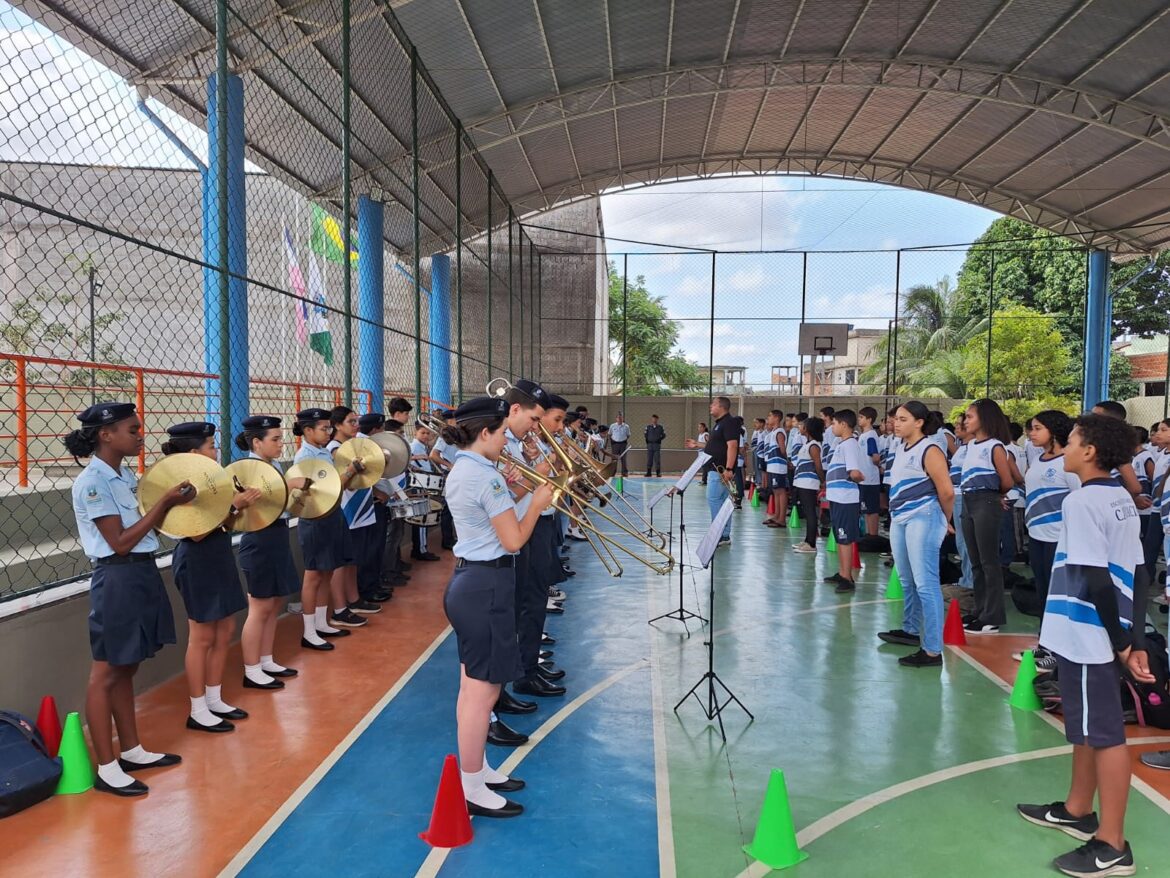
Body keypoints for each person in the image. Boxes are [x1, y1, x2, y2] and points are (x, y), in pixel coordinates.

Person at [1017, 413, 1151, 878]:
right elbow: (1139, 572)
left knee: (1107, 735)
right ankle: (1077, 809)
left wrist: (1118, 643)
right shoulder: (1120, 498)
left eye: (1072, 441)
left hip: (1091, 634)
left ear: (1089, 451)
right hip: (1084, 634)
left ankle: (1112, 844)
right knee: (1083, 723)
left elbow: (1096, 577)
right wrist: (1135, 639)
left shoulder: (1081, 502)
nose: (1065, 448)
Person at [64, 402, 189, 796]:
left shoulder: (120, 476)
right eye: (132, 429)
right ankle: (107, 766)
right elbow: (117, 542)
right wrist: (164, 503)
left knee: (126, 666)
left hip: (139, 572)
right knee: (105, 674)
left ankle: (131, 749)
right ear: (106, 434)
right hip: (117, 577)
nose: (140, 435)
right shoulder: (94, 482)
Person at [440, 395, 555, 818]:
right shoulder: (483, 477)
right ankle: (470, 784)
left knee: (474, 687)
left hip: (476, 581)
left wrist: (522, 489)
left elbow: (498, 516)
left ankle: (478, 770)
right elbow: (513, 539)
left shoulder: (473, 468)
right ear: (485, 432)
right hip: (486, 582)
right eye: (503, 432)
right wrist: (538, 504)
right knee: (481, 693)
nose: (508, 438)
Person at [161, 422, 260, 733]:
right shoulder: (181, 488)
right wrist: (233, 505)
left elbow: (221, 525)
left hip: (218, 555)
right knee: (202, 636)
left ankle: (215, 698)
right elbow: (198, 532)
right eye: (210, 446)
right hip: (197, 560)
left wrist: (236, 507)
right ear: (194, 452)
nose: (215, 451)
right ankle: (197, 707)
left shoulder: (209, 481)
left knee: (224, 628)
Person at [877, 403, 954, 668]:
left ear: (919, 422)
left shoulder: (930, 449)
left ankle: (932, 650)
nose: (895, 423)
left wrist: (946, 519)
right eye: (895, 419)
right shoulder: (901, 448)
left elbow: (946, 491)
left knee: (926, 583)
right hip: (900, 518)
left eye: (902, 419)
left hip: (924, 516)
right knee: (906, 579)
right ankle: (910, 630)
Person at [235, 416, 303, 691]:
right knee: (260, 607)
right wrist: (291, 484)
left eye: (280, 437)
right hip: (258, 539)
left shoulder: (271, 466)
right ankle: (251, 669)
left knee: (275, 602)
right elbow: (261, 495)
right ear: (256, 442)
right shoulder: (247, 469)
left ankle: (266, 659)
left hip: (277, 533)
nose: (280, 443)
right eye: (274, 439)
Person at [292, 407, 366, 651]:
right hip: (315, 519)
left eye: (328, 428)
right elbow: (328, 487)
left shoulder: (322, 452)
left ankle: (322, 622)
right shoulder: (306, 457)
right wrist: (350, 471)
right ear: (307, 430)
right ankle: (309, 630)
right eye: (324, 428)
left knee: (327, 571)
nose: (328, 432)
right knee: (314, 575)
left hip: (332, 515)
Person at [1016, 410, 1079, 670]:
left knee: (1059, 595)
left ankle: (1058, 650)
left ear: (1053, 431)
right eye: (1031, 427)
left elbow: (1079, 500)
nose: (1031, 433)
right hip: (1038, 537)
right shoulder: (1039, 460)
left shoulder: (1069, 463)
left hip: (1059, 539)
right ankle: (1046, 643)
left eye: (1037, 428)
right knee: (1043, 591)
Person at [960, 398, 1020, 634]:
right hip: (968, 501)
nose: (966, 420)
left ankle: (992, 616)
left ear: (984, 419)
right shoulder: (971, 445)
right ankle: (980, 609)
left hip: (986, 501)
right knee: (975, 562)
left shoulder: (995, 446)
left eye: (970, 416)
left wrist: (996, 495)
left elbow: (1007, 480)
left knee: (989, 562)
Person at [327, 406, 379, 622]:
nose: (357, 425)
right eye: (351, 421)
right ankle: (340, 608)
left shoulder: (353, 445)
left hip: (362, 508)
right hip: (347, 509)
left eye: (357, 420)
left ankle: (354, 598)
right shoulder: (335, 448)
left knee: (354, 559)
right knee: (342, 562)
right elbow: (345, 481)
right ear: (337, 425)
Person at [685, 398, 738, 547]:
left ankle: (718, 533)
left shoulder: (729, 422)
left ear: (721, 407)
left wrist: (728, 469)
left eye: (713, 404)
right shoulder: (719, 424)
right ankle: (724, 534)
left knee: (714, 500)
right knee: (721, 503)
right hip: (715, 470)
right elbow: (715, 445)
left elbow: (732, 446)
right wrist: (697, 444)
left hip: (719, 470)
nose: (710, 406)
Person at [824, 409, 865, 593]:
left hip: (845, 498)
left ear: (843, 424)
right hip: (837, 497)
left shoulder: (849, 445)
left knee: (845, 538)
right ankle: (842, 572)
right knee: (840, 538)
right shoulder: (842, 444)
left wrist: (860, 478)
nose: (832, 427)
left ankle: (847, 578)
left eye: (834, 423)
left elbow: (854, 472)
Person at [791, 416, 824, 553]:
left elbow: (818, 466)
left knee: (811, 513)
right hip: (801, 482)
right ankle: (807, 540)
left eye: (802, 425)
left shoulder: (814, 445)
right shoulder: (807, 444)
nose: (799, 427)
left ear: (808, 429)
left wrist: (823, 481)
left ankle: (811, 544)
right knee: (807, 512)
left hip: (808, 483)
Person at [409, 420, 440, 562]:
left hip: (424, 484)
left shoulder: (423, 446)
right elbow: (411, 463)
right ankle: (420, 549)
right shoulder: (415, 447)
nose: (426, 436)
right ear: (415, 433)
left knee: (423, 517)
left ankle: (421, 548)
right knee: (422, 519)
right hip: (420, 484)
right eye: (422, 432)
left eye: (428, 433)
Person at [857, 406, 882, 538]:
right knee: (866, 508)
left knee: (872, 509)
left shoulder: (870, 436)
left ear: (869, 419)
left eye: (861, 417)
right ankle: (868, 533)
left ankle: (873, 535)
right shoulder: (863, 436)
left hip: (870, 478)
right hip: (864, 478)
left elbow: (875, 457)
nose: (859, 420)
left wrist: (878, 465)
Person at [761, 410, 788, 527]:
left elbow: (782, 450)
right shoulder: (773, 432)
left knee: (781, 492)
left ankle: (782, 519)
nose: (768, 418)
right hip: (772, 466)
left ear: (777, 418)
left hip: (778, 466)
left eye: (770, 416)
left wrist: (787, 461)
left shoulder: (780, 432)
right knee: (776, 491)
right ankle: (776, 516)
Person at [607, 411, 631, 477]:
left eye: (621, 418)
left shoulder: (626, 426)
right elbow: (609, 434)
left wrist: (622, 440)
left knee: (623, 459)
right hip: (615, 444)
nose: (620, 419)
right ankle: (612, 472)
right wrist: (612, 442)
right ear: (616, 418)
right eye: (618, 418)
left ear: (623, 419)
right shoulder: (612, 426)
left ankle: (624, 473)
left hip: (623, 444)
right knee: (614, 459)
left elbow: (628, 435)